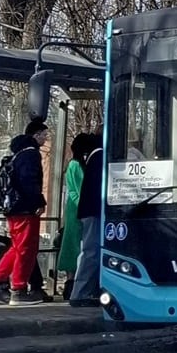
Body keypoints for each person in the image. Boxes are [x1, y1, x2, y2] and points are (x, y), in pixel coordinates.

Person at [0, 119, 49, 306]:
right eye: (44, 134)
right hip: (25, 209)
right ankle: (18, 290)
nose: (45, 138)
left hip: (14, 208)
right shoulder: (31, 154)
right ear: (35, 135)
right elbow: (29, 181)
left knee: (17, 247)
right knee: (26, 249)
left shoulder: (17, 154)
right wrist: (39, 201)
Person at [56, 133, 96, 300]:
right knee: (76, 243)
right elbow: (80, 188)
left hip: (75, 206)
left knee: (73, 242)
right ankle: (72, 282)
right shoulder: (76, 165)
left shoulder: (73, 164)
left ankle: (70, 281)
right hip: (78, 207)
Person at [69, 128, 104, 307]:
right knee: (92, 251)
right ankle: (80, 293)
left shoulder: (92, 156)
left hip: (89, 211)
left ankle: (83, 292)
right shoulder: (99, 156)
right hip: (94, 212)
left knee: (91, 250)